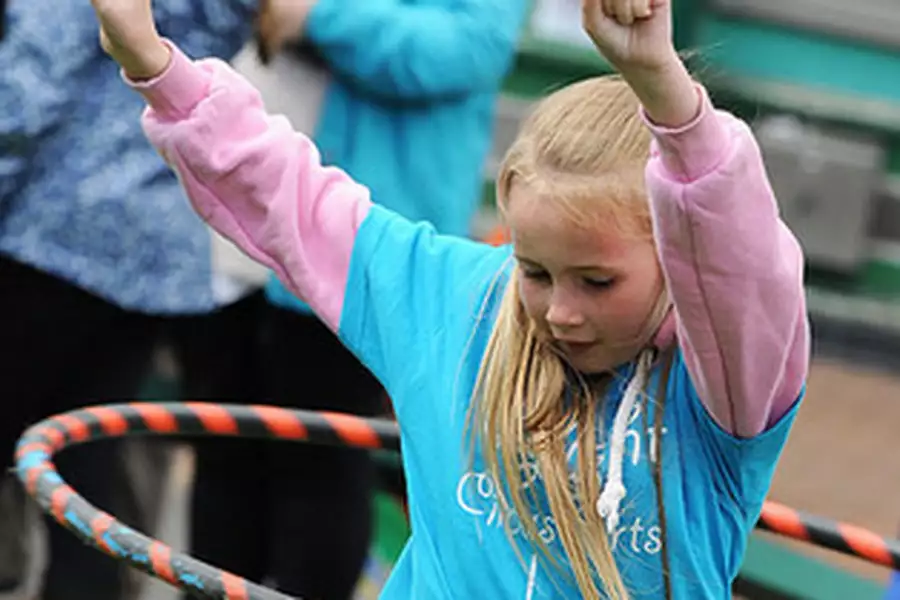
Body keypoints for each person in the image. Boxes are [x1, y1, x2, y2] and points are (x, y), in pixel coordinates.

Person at [90, 0, 811, 596]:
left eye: (598, 282)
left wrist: (666, 93)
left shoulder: (725, 385)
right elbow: (289, 195)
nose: (560, 310)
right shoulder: (455, 306)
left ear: (678, 264)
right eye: (535, 271)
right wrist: (157, 67)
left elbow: (740, 260)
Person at [186, 2, 528, 597]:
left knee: (318, 468)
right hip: (240, 223)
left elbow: (462, 50)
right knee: (225, 451)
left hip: (365, 239)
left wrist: (318, 17)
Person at [0, 0, 301, 597]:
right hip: (154, 244)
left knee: (65, 464)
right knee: (83, 475)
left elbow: (30, 85)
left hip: (54, 229)